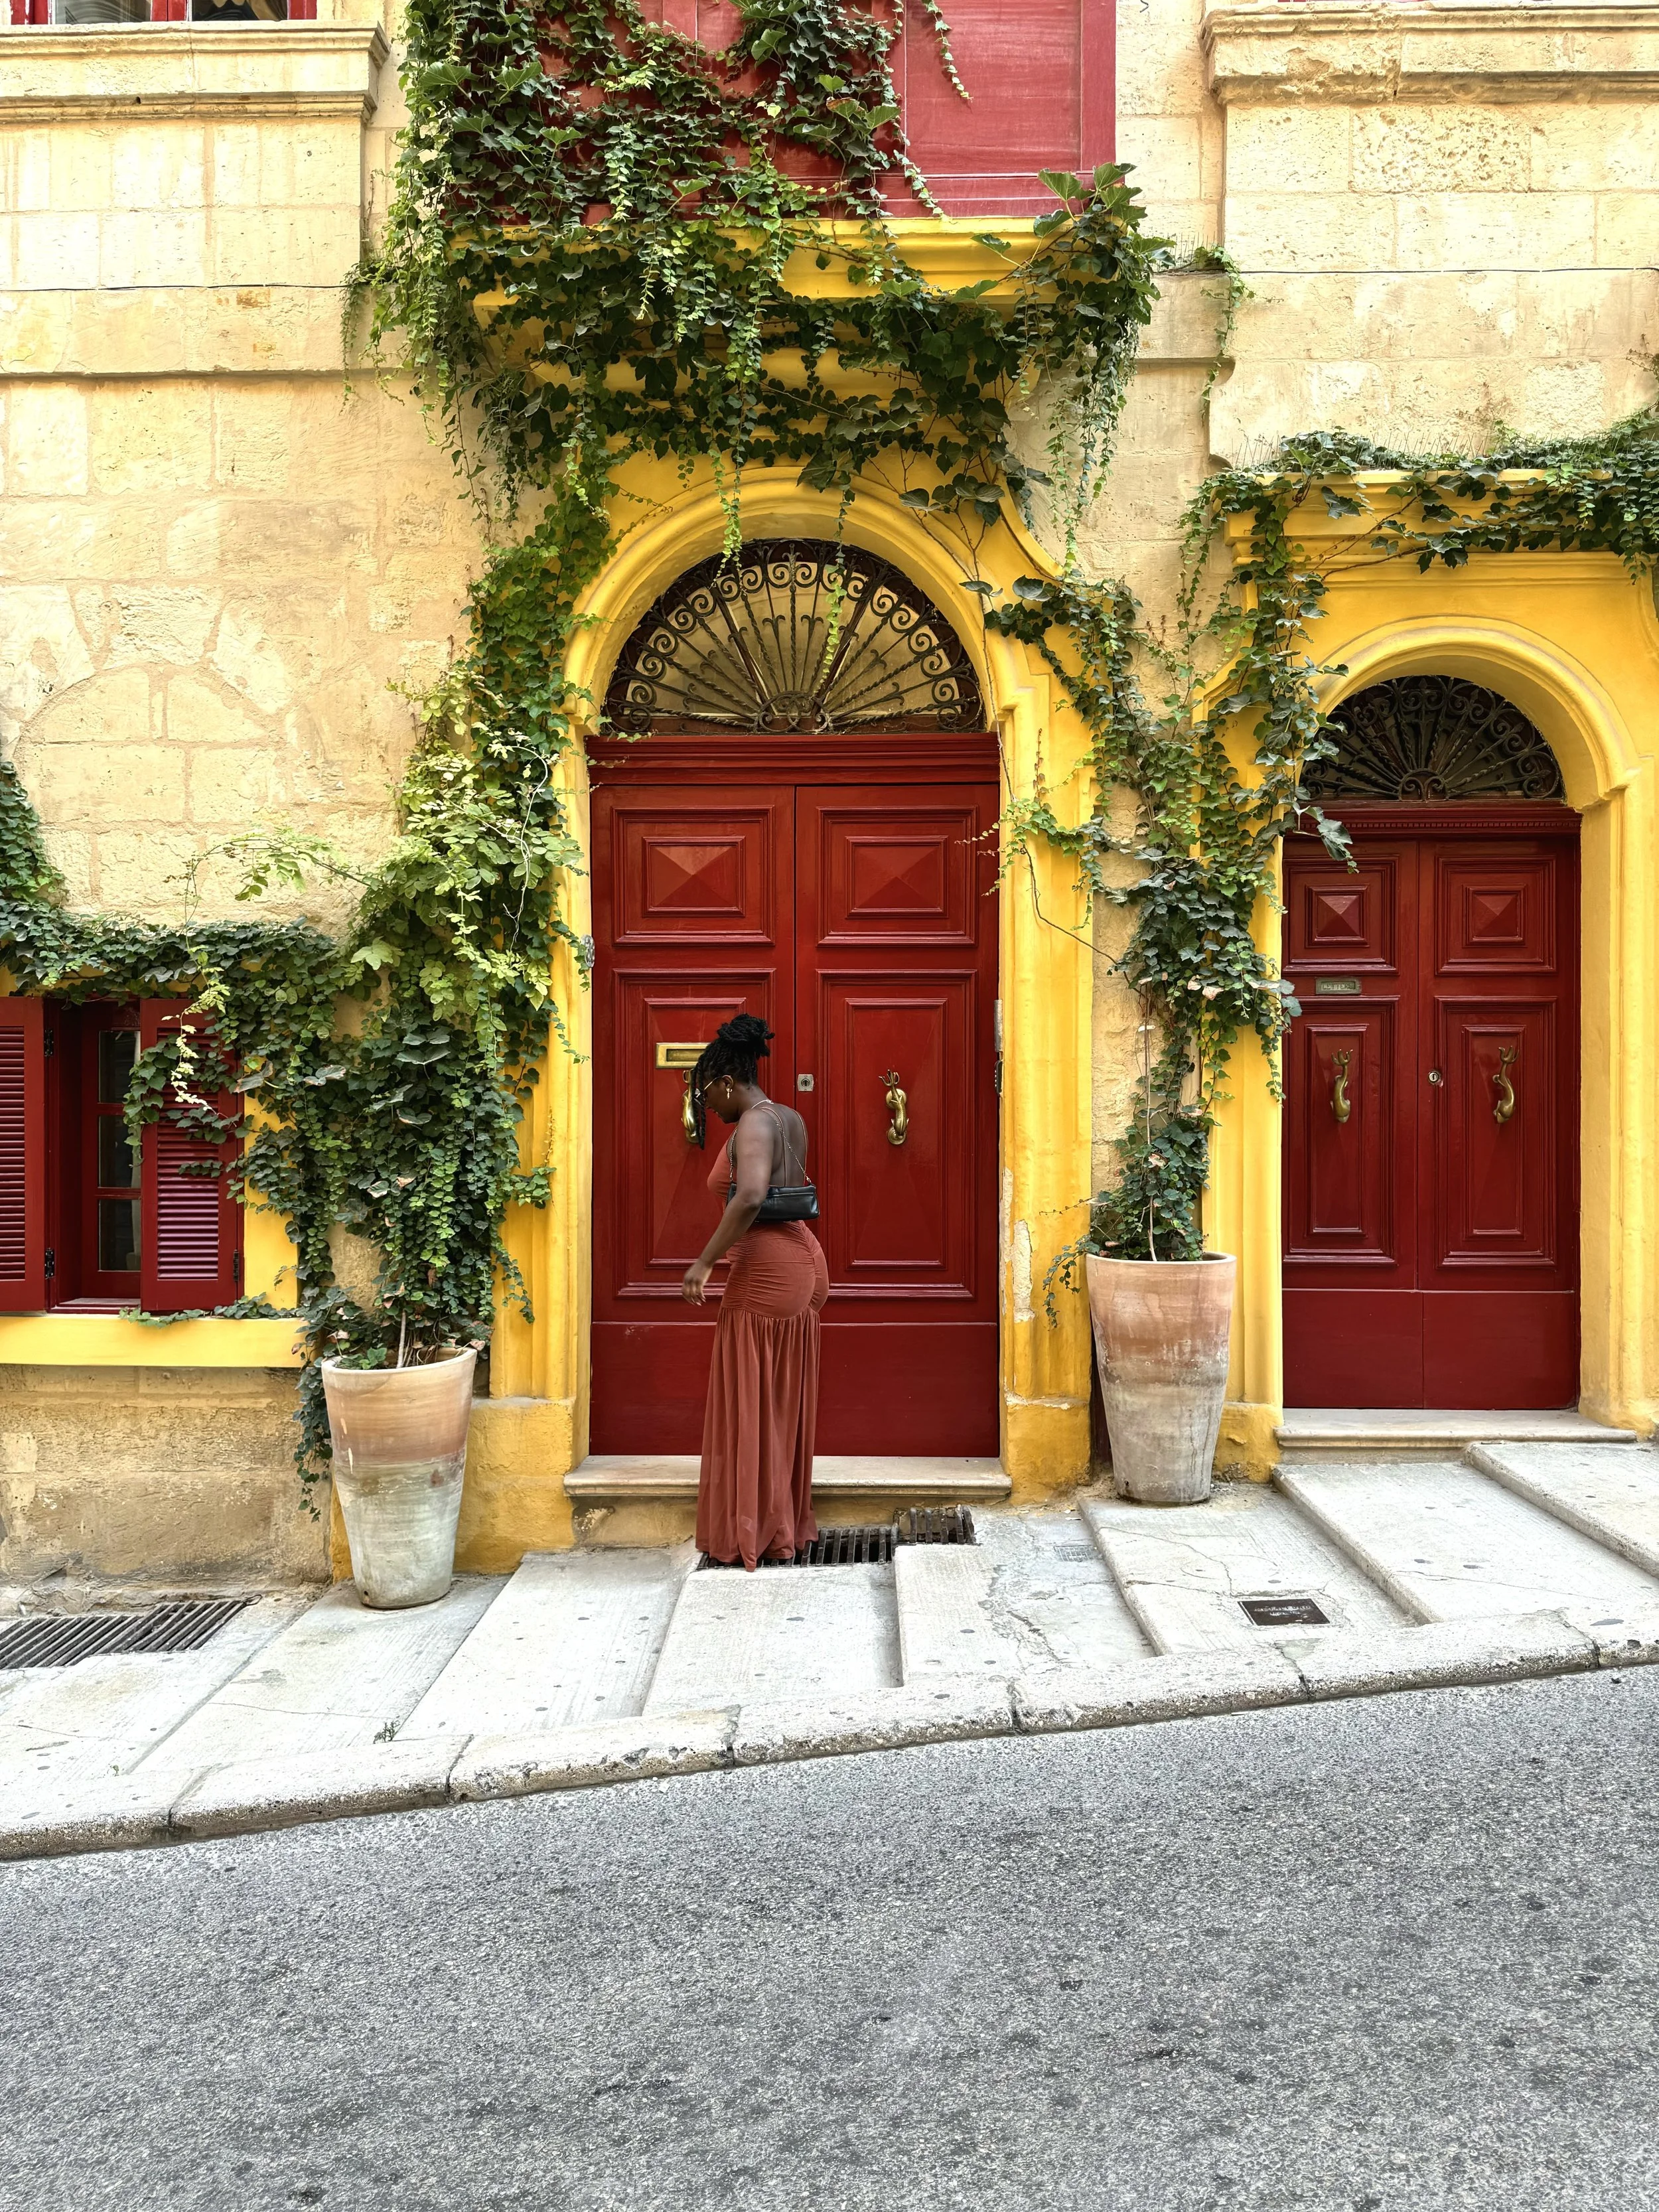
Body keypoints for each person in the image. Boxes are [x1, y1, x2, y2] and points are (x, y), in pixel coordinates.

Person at [681, 1013, 828, 1569]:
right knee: (777, 1403)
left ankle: (758, 1532)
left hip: (765, 1275)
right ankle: (781, 1522)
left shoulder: (752, 1124)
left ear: (725, 1082)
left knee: (752, 1403)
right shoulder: (789, 1116)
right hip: (801, 1260)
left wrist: (704, 1262)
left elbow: (750, 1197)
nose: (709, 1112)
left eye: (708, 1097)